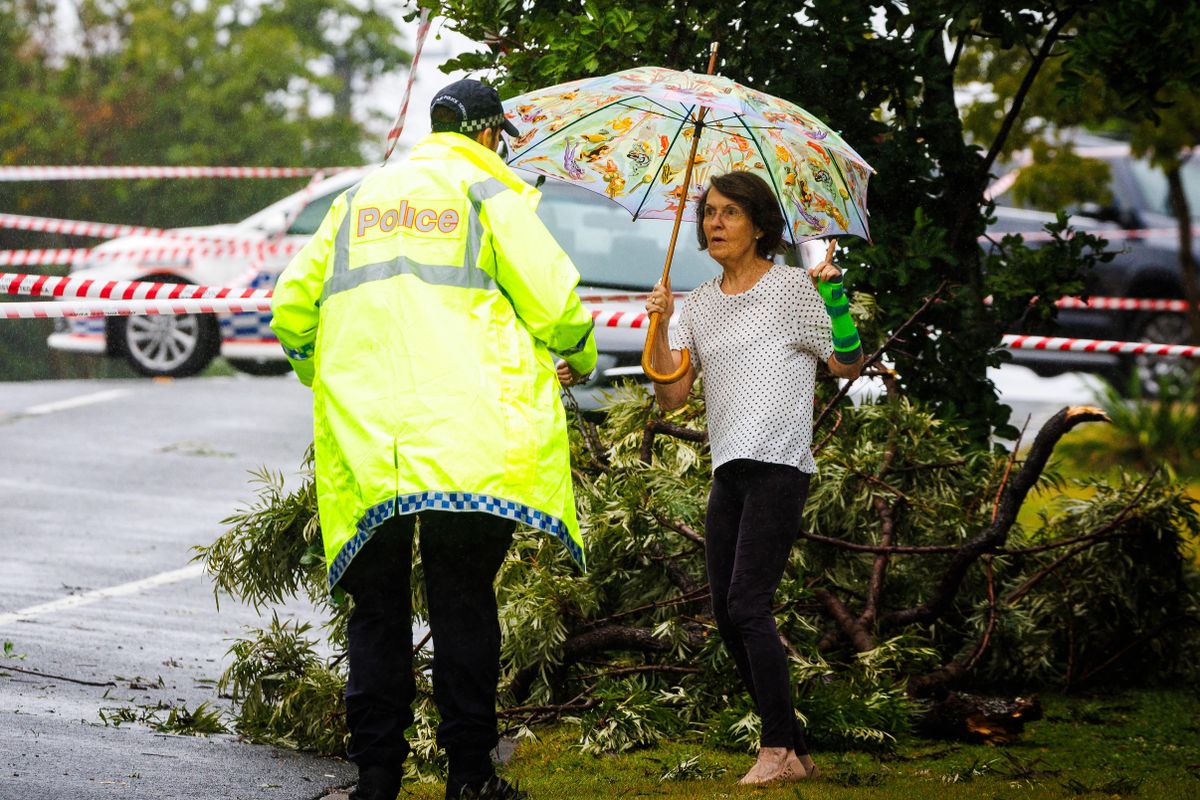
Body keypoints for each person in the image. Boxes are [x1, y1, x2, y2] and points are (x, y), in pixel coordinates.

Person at [271, 78, 597, 800]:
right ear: (488, 134)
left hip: (370, 444)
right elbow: (558, 305)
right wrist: (579, 350)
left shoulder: (360, 198)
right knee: (462, 604)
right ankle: (469, 777)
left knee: (377, 610)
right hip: (467, 441)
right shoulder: (490, 195)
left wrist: (321, 376)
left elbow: (291, 310)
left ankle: (377, 778)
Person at [643, 170, 864, 786]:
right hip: (728, 467)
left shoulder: (793, 289)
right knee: (723, 612)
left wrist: (837, 299)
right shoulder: (700, 303)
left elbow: (847, 361)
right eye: (709, 212)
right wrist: (659, 325)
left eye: (730, 213)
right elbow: (672, 397)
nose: (714, 223)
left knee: (747, 605)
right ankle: (795, 749)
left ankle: (773, 750)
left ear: (760, 225)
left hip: (780, 463)